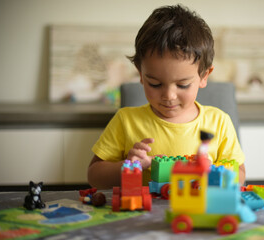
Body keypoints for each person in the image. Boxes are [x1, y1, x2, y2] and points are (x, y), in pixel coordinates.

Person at [88, 4, 246, 189]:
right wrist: (129, 166)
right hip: (143, 215)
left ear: (204, 76)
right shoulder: (125, 121)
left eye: (182, 85)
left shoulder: (219, 122)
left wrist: (214, 174)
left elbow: (240, 175)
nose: (169, 96)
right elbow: (94, 176)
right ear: (140, 74)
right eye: (155, 84)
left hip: (197, 212)